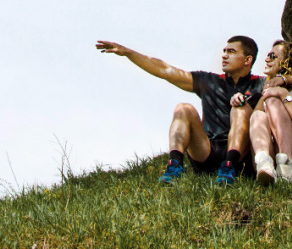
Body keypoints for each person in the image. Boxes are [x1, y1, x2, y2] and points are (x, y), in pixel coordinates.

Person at [95, 36, 263, 185]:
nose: (224, 55)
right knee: (183, 108)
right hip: (207, 152)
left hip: (241, 156)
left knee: (240, 109)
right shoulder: (209, 81)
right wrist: (128, 53)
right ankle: (175, 166)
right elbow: (165, 71)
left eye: (231, 52)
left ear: (247, 60)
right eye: (224, 51)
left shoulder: (261, 84)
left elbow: (286, 87)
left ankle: (229, 166)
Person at [246, 38, 292, 185]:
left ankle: (287, 164)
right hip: (275, 151)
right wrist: (269, 88)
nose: (266, 59)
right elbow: (256, 119)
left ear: (288, 61)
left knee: (272, 100)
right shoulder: (269, 89)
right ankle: (264, 162)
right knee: (258, 115)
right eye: (267, 55)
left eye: (273, 56)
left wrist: (283, 94)